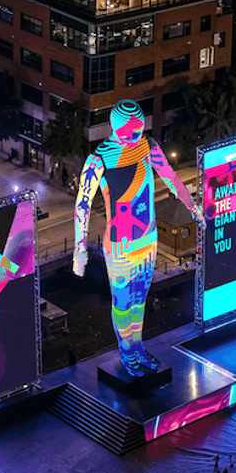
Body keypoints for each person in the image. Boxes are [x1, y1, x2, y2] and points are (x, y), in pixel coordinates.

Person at [72, 100, 201, 377]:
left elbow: (170, 177)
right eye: (129, 133)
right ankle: (127, 351)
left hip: (147, 239)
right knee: (123, 302)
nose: (134, 138)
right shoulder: (99, 159)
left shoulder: (148, 146)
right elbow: (82, 204)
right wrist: (79, 249)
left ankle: (136, 346)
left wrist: (192, 206)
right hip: (120, 245)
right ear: (116, 129)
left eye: (139, 131)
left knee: (139, 301)